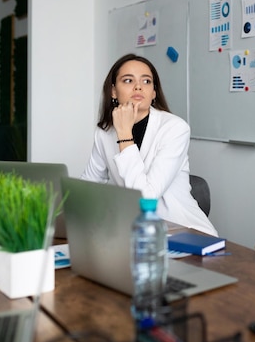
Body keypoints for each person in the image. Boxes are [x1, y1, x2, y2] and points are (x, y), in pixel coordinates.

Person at [81, 54, 217, 236]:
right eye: (128, 80)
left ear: (153, 92)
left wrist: (124, 135)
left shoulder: (175, 128)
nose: (138, 86)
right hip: (134, 233)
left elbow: (146, 199)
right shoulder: (104, 132)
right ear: (113, 91)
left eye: (146, 81)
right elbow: (87, 188)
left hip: (183, 233)